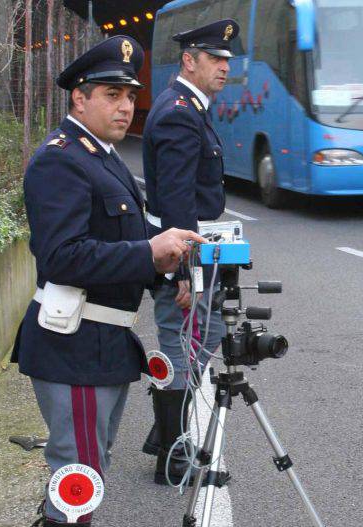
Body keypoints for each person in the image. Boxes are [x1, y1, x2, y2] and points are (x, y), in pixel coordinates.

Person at [11, 35, 206, 527]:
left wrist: (165, 265)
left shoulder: (100, 154)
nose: (125, 108)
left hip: (103, 343)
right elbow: (61, 257)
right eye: (111, 96)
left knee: (88, 469)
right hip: (74, 345)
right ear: (79, 98)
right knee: (79, 476)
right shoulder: (61, 158)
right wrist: (147, 252)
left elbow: (126, 237)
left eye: (129, 97)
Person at [141, 19, 239, 485]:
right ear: (189, 61)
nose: (224, 68)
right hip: (181, 253)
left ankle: (166, 433)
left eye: (226, 61)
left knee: (207, 329)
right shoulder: (180, 111)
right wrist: (183, 270)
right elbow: (177, 197)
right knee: (181, 345)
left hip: (190, 249)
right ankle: (172, 457)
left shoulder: (189, 107)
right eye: (215, 60)